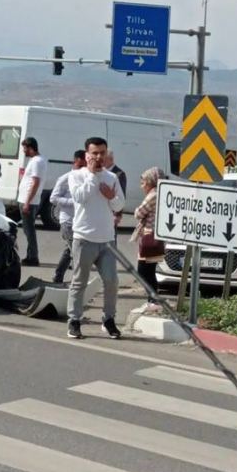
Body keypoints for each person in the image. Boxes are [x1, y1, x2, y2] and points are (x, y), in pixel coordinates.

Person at [67, 136, 125, 340]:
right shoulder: (76, 176)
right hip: (84, 237)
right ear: (87, 155)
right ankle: (74, 320)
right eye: (95, 153)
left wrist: (112, 197)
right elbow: (80, 197)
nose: (99, 157)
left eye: (102, 153)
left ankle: (108, 319)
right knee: (79, 282)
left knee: (111, 281)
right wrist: (92, 176)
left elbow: (119, 206)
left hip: (107, 239)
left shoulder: (112, 177)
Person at [50, 150, 86, 284]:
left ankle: (58, 277)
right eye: (80, 166)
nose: (82, 169)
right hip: (68, 221)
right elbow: (53, 198)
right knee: (77, 253)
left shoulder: (87, 179)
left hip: (81, 221)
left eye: (85, 166)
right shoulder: (65, 178)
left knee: (69, 250)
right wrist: (73, 202)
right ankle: (78, 282)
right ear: (74, 162)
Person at [132, 167, 166, 307]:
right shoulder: (160, 193)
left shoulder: (154, 195)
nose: (141, 186)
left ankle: (153, 299)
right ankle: (153, 299)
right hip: (153, 236)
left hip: (150, 237)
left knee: (144, 270)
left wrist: (137, 210)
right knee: (148, 270)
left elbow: (138, 213)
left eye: (143, 183)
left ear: (150, 182)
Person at [18, 137, 47, 267]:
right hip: (27, 200)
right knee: (27, 229)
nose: (23, 150)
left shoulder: (37, 162)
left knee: (29, 230)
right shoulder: (35, 160)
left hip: (29, 201)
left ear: (30, 148)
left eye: (24, 148)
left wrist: (27, 202)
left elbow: (35, 183)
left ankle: (33, 257)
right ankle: (31, 255)